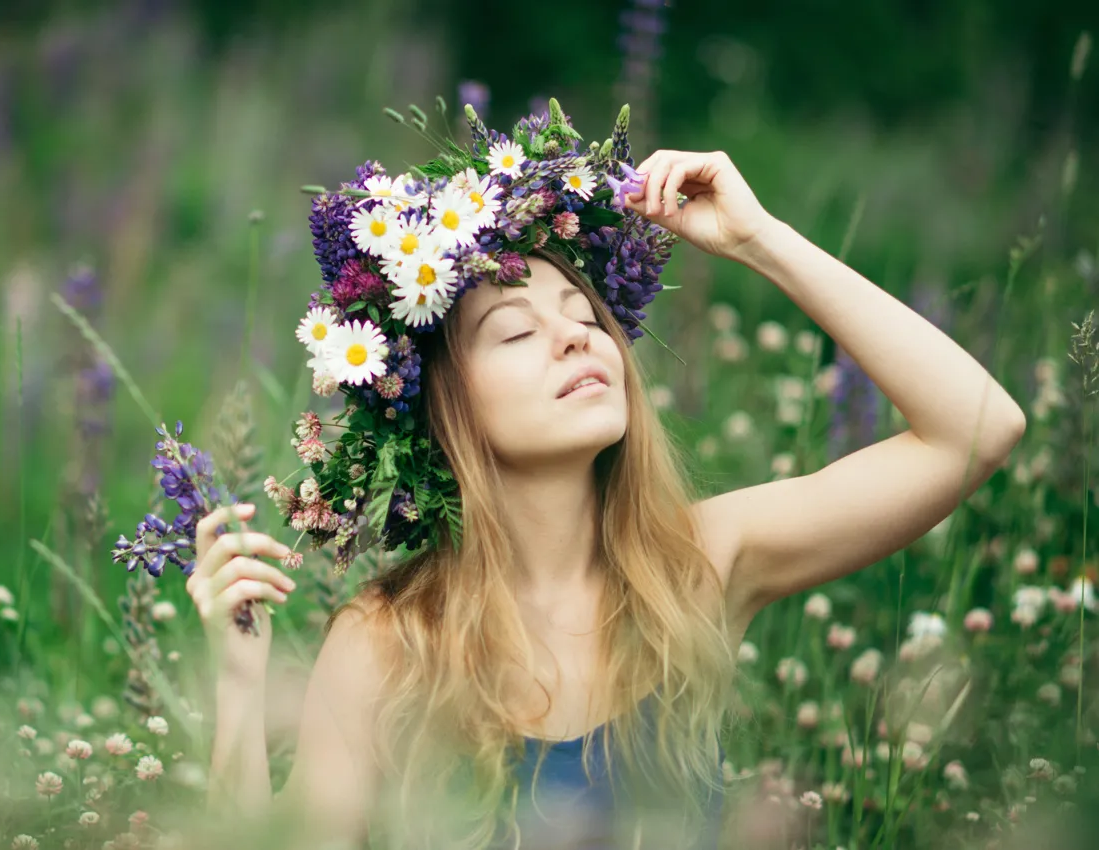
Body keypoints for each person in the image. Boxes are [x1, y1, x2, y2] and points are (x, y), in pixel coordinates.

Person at [185, 116, 1026, 849]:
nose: (575, 338)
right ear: (441, 410)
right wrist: (237, 681)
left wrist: (756, 240)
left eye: (588, 317)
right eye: (516, 332)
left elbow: (979, 428)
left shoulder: (695, 568)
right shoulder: (387, 643)